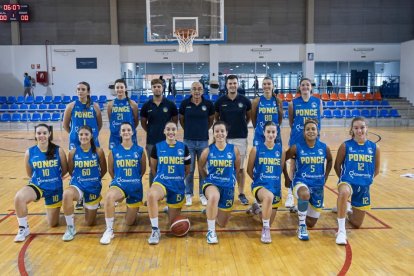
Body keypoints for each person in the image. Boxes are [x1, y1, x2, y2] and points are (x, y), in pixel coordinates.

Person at [13, 124, 68, 242]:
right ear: (35, 135)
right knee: (19, 197)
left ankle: (57, 211)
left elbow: (65, 170)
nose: (41, 135)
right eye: (39, 133)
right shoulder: (29, 152)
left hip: (54, 188)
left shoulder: (59, 151)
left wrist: (53, 179)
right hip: (37, 185)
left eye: (44, 133)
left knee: (53, 224)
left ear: (49, 134)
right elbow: (29, 173)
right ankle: (23, 228)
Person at [334, 117, 380, 245]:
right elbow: (337, 165)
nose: (359, 130)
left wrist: (366, 179)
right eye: (356, 128)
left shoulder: (375, 147)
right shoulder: (345, 146)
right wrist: (343, 179)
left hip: (363, 186)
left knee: (357, 224)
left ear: (367, 128)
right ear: (352, 130)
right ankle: (341, 231)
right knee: (343, 193)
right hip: (347, 181)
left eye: (362, 127)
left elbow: (376, 169)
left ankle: (347, 209)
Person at [283, 119, 332, 240]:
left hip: (317, 186)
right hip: (301, 182)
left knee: (312, 223)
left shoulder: (324, 148)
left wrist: (325, 177)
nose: (311, 131)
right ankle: (301, 226)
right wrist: (286, 177)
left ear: (318, 131)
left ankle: (300, 209)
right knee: (304, 194)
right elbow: (283, 158)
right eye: (308, 129)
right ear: (304, 132)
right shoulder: (296, 147)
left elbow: (330, 160)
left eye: (313, 129)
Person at [100, 122, 147, 245]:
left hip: (135, 188)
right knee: (110, 196)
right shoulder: (114, 151)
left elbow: (142, 170)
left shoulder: (140, 150)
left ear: (132, 132)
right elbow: (111, 171)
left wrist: (133, 179)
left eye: (128, 130)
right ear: (120, 133)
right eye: (123, 130)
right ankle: (109, 230)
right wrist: (119, 180)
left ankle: (131, 206)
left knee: (129, 222)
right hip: (120, 185)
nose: (126, 132)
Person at [147, 121, 191, 245]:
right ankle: (155, 230)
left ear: (177, 131)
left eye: (173, 129)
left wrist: (178, 178)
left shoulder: (184, 147)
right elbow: (153, 166)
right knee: (151, 195)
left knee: (174, 224)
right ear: (164, 131)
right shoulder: (158, 146)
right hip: (162, 181)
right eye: (168, 129)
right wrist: (158, 179)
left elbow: (187, 169)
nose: (171, 132)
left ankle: (170, 207)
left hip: (177, 185)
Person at [62, 125, 107, 241]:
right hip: (78, 185)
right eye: (81, 134)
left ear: (91, 136)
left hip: (93, 187)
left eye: (86, 134)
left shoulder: (99, 151)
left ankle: (94, 203)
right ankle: (70, 227)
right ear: (78, 136)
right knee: (67, 194)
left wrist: (94, 179)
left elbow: (104, 169)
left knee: (90, 223)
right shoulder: (73, 153)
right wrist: (80, 180)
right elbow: (71, 171)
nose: (83, 137)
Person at [198, 121, 241, 244]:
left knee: (223, 223)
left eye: (222, 131)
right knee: (213, 196)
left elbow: (237, 168)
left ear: (226, 133)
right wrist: (207, 179)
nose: (220, 133)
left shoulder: (234, 150)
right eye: (217, 131)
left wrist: (231, 178)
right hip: (212, 183)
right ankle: (211, 231)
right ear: (213, 133)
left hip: (228, 186)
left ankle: (210, 210)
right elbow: (201, 166)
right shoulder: (208, 150)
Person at [63, 81, 102, 210]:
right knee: (76, 168)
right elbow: (66, 125)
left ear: (88, 91)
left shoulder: (95, 106)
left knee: (95, 168)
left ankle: (95, 194)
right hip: (76, 141)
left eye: (83, 89)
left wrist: (90, 136)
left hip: (92, 141)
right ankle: (79, 197)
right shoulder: (71, 106)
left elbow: (99, 124)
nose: (80, 91)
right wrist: (75, 135)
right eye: (78, 89)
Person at [285, 78, 323, 209]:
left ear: (311, 87)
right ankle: (290, 194)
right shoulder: (293, 103)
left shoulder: (318, 102)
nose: (305, 87)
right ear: (299, 87)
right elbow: (291, 122)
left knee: (314, 166)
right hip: (297, 138)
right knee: (293, 167)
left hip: (313, 139)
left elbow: (318, 121)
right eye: (303, 85)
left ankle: (316, 194)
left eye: (307, 85)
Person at [214, 74, 252, 205]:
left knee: (240, 169)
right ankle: (224, 191)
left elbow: (248, 118)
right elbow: (217, 119)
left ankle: (241, 193)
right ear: (226, 85)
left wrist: (240, 126)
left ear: (237, 84)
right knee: (225, 167)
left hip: (241, 138)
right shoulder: (220, 101)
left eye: (234, 83)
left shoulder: (245, 101)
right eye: (230, 83)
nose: (232, 85)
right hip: (224, 140)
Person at [246, 121, 285, 243]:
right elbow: (249, 169)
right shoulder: (256, 149)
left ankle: (257, 209)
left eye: (273, 132)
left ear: (276, 133)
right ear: (264, 133)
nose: (271, 134)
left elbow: (280, 169)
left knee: (265, 217)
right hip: (260, 186)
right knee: (268, 197)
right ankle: (266, 230)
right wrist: (259, 180)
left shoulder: (281, 150)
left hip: (275, 187)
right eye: (268, 132)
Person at [179, 81, 214, 206]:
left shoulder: (208, 104)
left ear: (203, 91)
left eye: (199, 89)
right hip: (188, 141)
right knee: (189, 169)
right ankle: (188, 194)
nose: (197, 91)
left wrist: (202, 130)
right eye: (194, 89)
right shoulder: (185, 104)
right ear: (190, 91)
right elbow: (181, 120)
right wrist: (189, 130)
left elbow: (211, 121)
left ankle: (202, 194)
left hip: (203, 141)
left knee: (202, 169)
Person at [140, 78, 178, 186]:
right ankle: (153, 190)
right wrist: (151, 130)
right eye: (154, 87)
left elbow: (175, 121)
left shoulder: (170, 104)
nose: (157, 89)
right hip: (151, 142)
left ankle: (167, 192)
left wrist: (168, 133)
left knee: (167, 167)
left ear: (163, 88)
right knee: (153, 167)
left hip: (167, 143)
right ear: (151, 88)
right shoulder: (146, 105)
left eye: (159, 86)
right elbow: (143, 122)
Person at [107, 79, 139, 150]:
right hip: (115, 136)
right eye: (117, 87)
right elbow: (111, 119)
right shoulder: (110, 104)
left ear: (126, 88)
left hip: (129, 135)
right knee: (115, 157)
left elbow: (136, 121)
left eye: (121, 87)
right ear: (115, 89)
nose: (119, 89)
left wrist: (128, 130)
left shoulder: (132, 104)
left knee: (131, 157)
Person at [251, 77, 283, 146]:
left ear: (273, 85)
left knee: (275, 156)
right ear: (262, 86)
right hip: (260, 134)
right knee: (258, 155)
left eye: (269, 84)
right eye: (264, 84)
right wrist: (258, 128)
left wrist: (274, 127)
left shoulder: (278, 100)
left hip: (275, 134)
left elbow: (280, 118)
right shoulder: (256, 101)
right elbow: (253, 118)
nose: (266, 86)